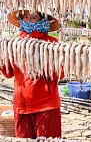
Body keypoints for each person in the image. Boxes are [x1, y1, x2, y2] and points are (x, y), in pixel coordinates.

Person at [0, 10, 64, 139]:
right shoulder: (14, 44)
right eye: (26, 17)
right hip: (21, 106)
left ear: (43, 20)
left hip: (46, 106)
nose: (29, 20)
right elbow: (8, 73)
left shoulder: (52, 43)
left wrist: (42, 62)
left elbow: (60, 75)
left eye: (34, 17)